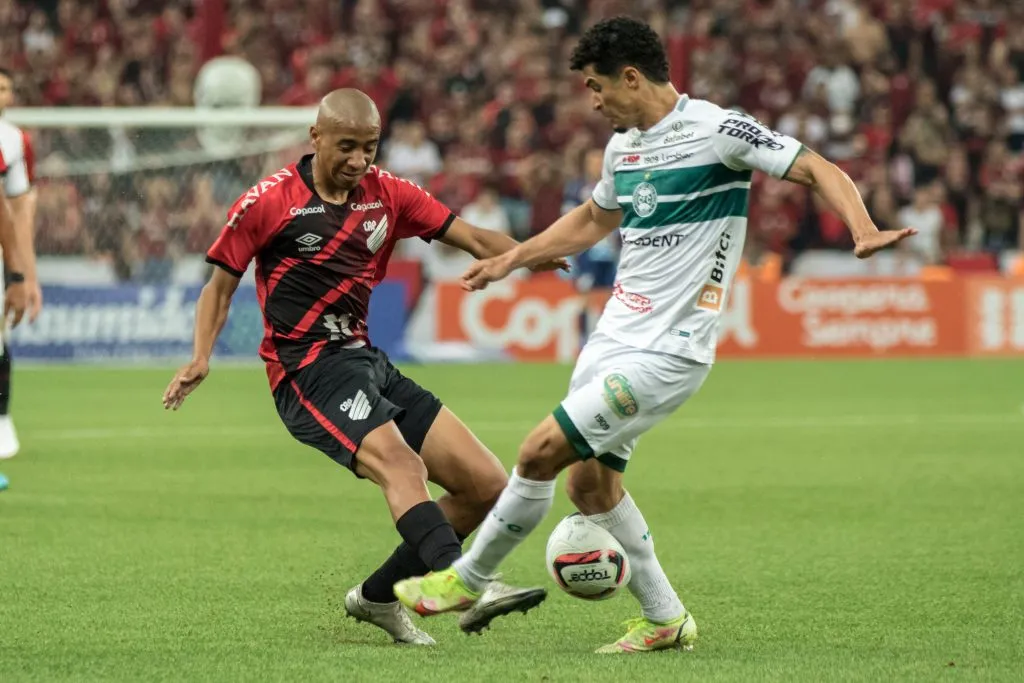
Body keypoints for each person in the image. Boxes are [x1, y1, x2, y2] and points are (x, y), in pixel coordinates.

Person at [394, 17, 916, 653]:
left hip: (669, 352)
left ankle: (467, 579)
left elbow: (817, 169)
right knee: (591, 487)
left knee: (536, 453)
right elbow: (593, 219)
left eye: (596, 86)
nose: (592, 101)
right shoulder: (624, 148)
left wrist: (861, 228)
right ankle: (665, 618)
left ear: (631, 77)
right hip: (613, 339)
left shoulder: (719, 129)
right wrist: (515, 258)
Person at [162, 89, 562, 643]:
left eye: (369, 147)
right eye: (346, 146)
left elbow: (469, 235)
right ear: (316, 137)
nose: (358, 160)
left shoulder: (389, 194)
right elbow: (219, 285)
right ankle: (467, 582)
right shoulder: (268, 202)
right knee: (402, 468)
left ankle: (376, 598)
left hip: (365, 361)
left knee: (486, 485)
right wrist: (201, 355)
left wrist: (524, 254)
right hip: (306, 372)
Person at [0, 66, 40, 459]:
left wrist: (22, 275)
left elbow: (16, 209)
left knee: (1, 340)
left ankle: (2, 418)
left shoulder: (14, 141)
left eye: (5, 88)